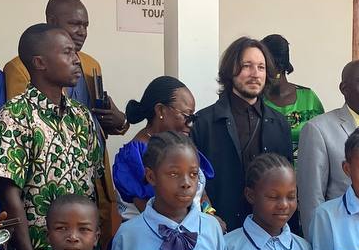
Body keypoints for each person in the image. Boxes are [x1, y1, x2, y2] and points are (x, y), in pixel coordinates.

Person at [0, 24, 104, 250]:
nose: (77, 60)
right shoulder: (14, 115)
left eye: (75, 52)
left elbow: (93, 187)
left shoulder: (82, 116)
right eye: (67, 52)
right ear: (40, 62)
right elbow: (10, 195)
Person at [109, 132, 265, 250]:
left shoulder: (211, 228)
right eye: (174, 174)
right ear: (151, 176)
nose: (186, 183)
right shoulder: (128, 235)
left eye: (193, 174)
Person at [193, 37, 294, 231]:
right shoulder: (204, 122)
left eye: (261, 67)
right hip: (219, 229)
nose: (255, 74)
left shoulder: (280, 124)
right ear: (230, 70)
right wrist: (208, 215)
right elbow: (195, 180)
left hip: (268, 231)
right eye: (247, 66)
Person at [3, 0, 127, 137]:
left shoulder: (91, 64)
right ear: (52, 21)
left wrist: (120, 121)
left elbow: (98, 123)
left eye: (85, 26)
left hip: (91, 149)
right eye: (75, 24)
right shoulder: (20, 68)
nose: (82, 32)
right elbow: (20, 124)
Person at [296, 59, 359, 231]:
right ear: (344, 88)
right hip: (341, 233)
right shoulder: (318, 129)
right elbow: (311, 198)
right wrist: (318, 240)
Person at [114, 76, 215, 221]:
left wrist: (210, 217)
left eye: (193, 118)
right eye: (186, 116)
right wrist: (205, 224)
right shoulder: (135, 156)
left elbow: (202, 194)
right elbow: (158, 216)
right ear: (160, 110)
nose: (190, 125)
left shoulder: (181, 146)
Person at [223, 153, 310, 250]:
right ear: (251, 195)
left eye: (291, 197)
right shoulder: (228, 247)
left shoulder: (303, 248)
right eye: (273, 197)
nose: (284, 205)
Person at [262, 34, 325, 151]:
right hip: (268, 162)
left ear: (280, 67)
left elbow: (323, 138)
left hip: (306, 162)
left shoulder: (309, 99)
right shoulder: (257, 101)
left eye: (264, 67)